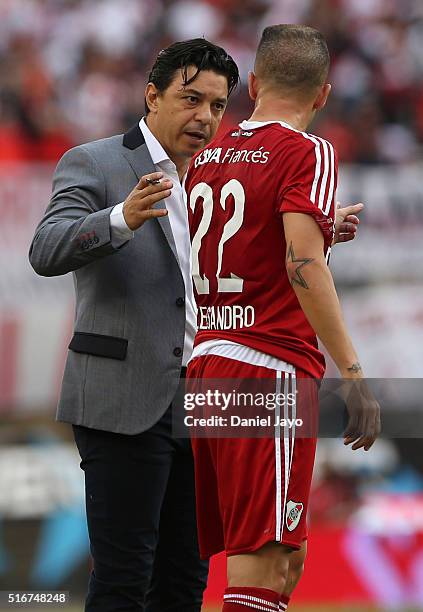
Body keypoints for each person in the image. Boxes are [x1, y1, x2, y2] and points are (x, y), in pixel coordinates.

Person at [29, 38, 240, 612]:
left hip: (207, 403)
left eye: (218, 106)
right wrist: (120, 217)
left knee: (184, 585)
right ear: (152, 95)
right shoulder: (94, 161)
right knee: (123, 581)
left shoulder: (224, 179)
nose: (205, 117)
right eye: (191, 98)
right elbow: (45, 250)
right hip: (123, 396)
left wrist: (315, 243)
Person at [185, 25, 381, 612]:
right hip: (266, 369)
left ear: (254, 83)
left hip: (210, 362)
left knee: (283, 560)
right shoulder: (309, 150)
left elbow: (259, 249)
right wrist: (352, 370)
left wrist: (320, 234)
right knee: (262, 562)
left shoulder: (207, 158)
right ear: (323, 95)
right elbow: (300, 264)